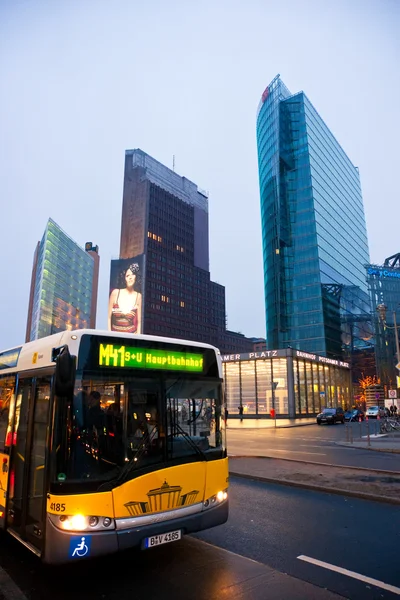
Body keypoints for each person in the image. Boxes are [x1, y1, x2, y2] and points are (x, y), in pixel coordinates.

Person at [108, 262, 142, 334]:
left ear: (136, 276)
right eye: (127, 276)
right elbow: (108, 318)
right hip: (115, 337)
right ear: (124, 278)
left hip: (131, 338)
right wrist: (109, 336)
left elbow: (139, 322)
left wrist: (138, 340)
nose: (130, 277)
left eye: (132, 274)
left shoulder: (138, 296)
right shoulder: (115, 293)